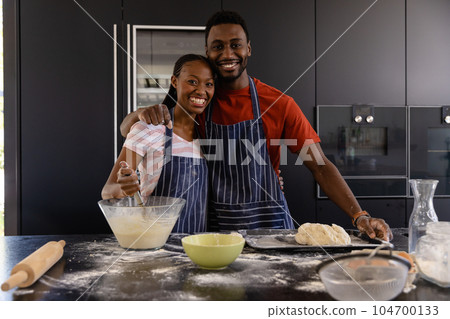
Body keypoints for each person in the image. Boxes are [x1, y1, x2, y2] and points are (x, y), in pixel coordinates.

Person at [120, 11, 393, 241]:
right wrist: (139, 113)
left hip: (271, 229)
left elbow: (320, 165)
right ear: (208, 51)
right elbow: (133, 131)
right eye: (218, 46)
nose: (228, 53)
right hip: (217, 233)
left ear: (248, 48)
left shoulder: (280, 104)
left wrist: (359, 215)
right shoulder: (198, 102)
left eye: (235, 44)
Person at [102, 54, 214, 233]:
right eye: (192, 81)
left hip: (198, 248)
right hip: (153, 245)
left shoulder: (209, 137)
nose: (201, 90)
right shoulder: (149, 129)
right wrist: (124, 189)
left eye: (208, 84)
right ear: (175, 82)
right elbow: (108, 191)